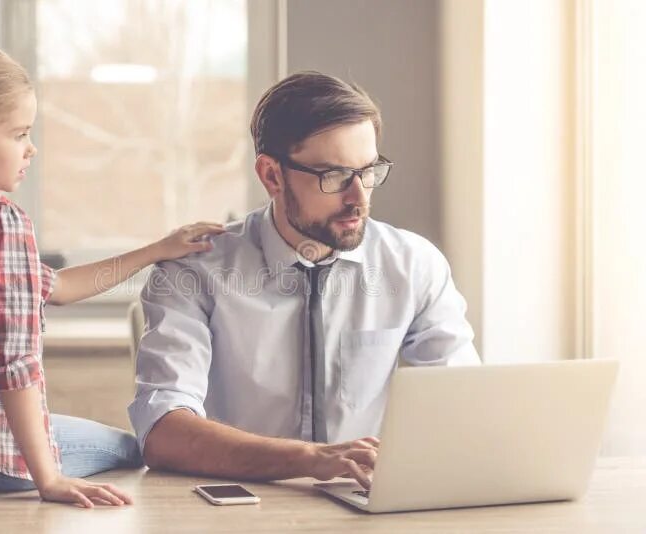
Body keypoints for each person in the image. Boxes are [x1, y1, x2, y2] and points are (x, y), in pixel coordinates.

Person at [0, 39, 223, 508]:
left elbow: (57, 287)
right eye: (19, 134)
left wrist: (159, 249)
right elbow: (14, 365)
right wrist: (49, 480)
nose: (30, 148)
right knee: (141, 445)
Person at [129, 71, 480, 489]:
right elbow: (164, 433)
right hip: (239, 506)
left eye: (368, 172)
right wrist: (310, 459)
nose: (359, 198)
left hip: (366, 503)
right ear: (272, 176)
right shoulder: (191, 271)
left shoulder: (413, 264)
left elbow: (464, 405)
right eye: (333, 177)